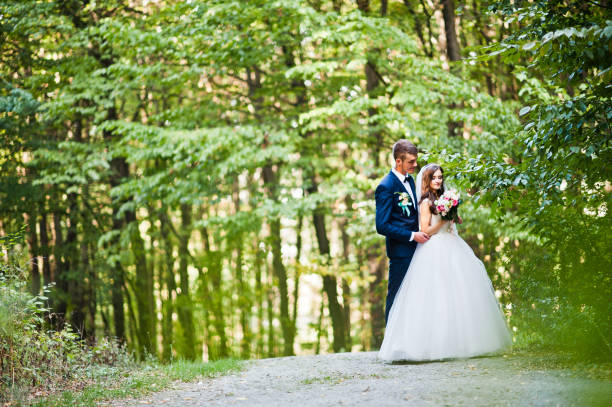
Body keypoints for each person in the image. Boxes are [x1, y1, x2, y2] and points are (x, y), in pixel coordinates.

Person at [378, 163, 512, 362]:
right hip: (433, 248)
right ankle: (434, 345)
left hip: (452, 245)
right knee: (436, 295)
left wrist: (452, 217)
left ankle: (466, 343)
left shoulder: (445, 198)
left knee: (459, 292)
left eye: (440, 177)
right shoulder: (425, 202)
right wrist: (442, 220)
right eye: (434, 177)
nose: (438, 180)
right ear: (427, 180)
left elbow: (449, 224)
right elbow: (425, 229)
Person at [375, 140, 430, 324]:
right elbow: (381, 225)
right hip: (400, 253)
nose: (415, 165)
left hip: (418, 250)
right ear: (399, 161)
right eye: (411, 162)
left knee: (415, 298)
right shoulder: (386, 186)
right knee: (396, 297)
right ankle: (390, 346)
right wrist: (412, 235)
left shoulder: (411, 179)